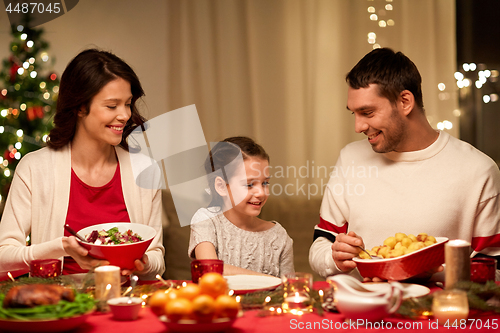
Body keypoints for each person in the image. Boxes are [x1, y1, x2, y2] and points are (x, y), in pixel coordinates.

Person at [309, 48, 500, 280]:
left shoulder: (478, 170)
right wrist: (334, 258)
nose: (358, 127)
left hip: (435, 313)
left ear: (405, 101)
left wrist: (436, 272)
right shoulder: (350, 158)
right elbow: (321, 244)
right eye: (354, 114)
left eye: (367, 112)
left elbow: (493, 268)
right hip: (361, 311)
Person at [0, 49, 165, 280]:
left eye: (127, 104)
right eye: (111, 106)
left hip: (125, 304)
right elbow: (3, 259)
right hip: (60, 306)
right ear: (79, 107)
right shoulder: (34, 168)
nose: (125, 115)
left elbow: (157, 256)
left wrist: (144, 263)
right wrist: (61, 247)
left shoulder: (145, 170)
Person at [188, 136, 294, 277]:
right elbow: (210, 270)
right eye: (250, 184)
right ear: (221, 186)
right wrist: (269, 280)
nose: (261, 193)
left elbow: (289, 288)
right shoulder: (205, 221)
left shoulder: (279, 236)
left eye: (265, 183)